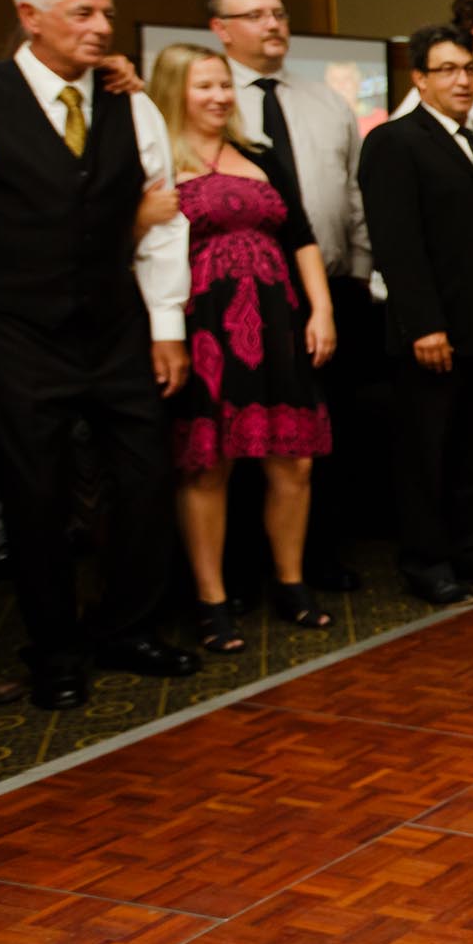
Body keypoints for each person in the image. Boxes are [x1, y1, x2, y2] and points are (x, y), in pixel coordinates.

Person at [0, 0, 199, 711]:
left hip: (115, 326)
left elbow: (162, 218)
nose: (103, 27)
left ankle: (129, 627)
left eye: (105, 11)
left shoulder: (128, 101)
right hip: (18, 330)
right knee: (36, 493)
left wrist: (166, 326)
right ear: (29, 16)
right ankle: (55, 649)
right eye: (84, 13)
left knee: (144, 476)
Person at [150, 44, 336, 650]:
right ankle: (211, 598)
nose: (219, 97)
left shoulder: (259, 154)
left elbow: (302, 235)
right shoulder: (154, 160)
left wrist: (322, 309)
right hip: (202, 330)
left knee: (294, 461)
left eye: (224, 85)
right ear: (175, 90)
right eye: (204, 86)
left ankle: (292, 581)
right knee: (208, 465)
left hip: (277, 326)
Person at [358, 24, 473, 606]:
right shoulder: (395, 142)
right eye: (446, 70)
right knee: (427, 453)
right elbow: (397, 243)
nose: (462, 80)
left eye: (466, 69)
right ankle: (427, 561)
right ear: (419, 78)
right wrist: (423, 324)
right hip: (435, 330)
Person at [208, 0, 369, 595]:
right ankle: (250, 569)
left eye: (279, 12)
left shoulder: (325, 99)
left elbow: (351, 192)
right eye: (254, 16)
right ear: (221, 29)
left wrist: (355, 272)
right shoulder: (214, 101)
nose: (273, 25)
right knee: (250, 437)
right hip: (242, 301)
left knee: (324, 436)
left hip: (329, 288)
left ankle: (318, 557)